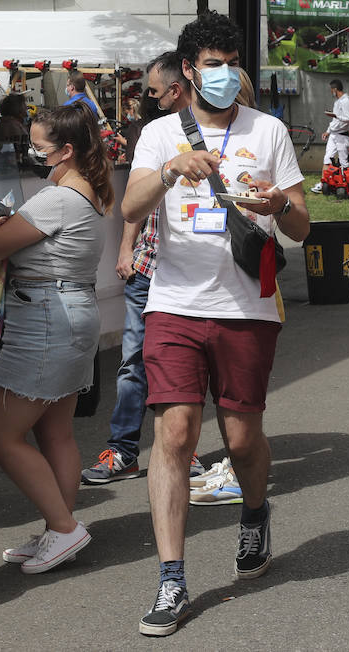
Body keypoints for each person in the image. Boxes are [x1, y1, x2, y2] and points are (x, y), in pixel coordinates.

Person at [122, 12, 309, 637]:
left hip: (245, 308)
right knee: (174, 436)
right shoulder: (156, 135)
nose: (224, 73)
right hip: (172, 304)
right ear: (188, 71)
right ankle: (172, 578)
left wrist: (278, 203)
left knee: (241, 440)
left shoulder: (270, 130)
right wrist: (172, 169)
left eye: (232, 62)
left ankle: (254, 512)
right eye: (212, 63)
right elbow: (129, 206)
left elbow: (303, 227)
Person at [0, 104, 114, 574]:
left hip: (45, 318)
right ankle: (60, 529)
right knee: (55, 431)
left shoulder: (56, 197)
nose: (32, 153)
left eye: (38, 146)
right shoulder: (89, 190)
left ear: (67, 150)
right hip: (71, 313)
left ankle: (63, 527)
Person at [84, 52, 195, 486]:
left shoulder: (215, 134)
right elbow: (134, 203)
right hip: (149, 268)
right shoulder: (152, 134)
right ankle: (125, 450)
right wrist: (126, 250)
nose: (147, 99)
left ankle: (184, 450)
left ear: (175, 88)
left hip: (193, 274)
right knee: (134, 361)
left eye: (152, 91)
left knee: (185, 369)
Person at [320, 77, 349, 174]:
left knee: (343, 161)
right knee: (327, 158)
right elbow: (335, 119)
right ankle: (324, 182)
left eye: (331, 89)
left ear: (335, 89)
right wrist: (328, 131)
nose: (331, 92)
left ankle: (346, 183)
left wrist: (336, 115)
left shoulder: (346, 101)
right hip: (333, 134)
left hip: (342, 136)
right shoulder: (337, 101)